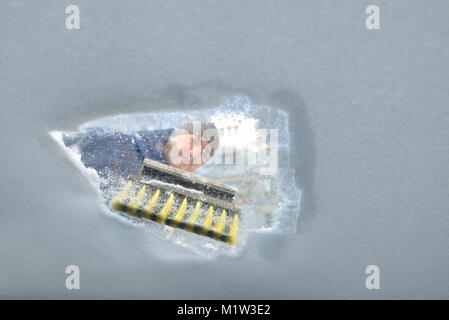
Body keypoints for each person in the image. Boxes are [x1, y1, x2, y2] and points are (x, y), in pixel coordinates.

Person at [63, 121, 220, 179]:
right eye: (193, 141)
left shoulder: (188, 195)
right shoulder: (109, 141)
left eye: (204, 154)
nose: (192, 154)